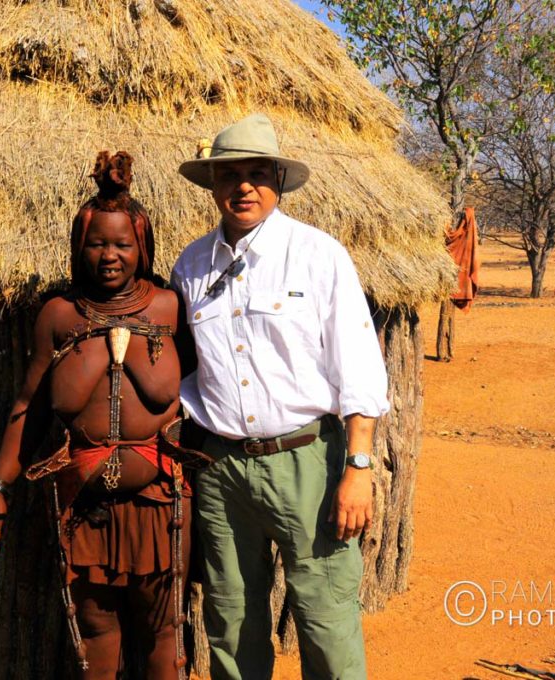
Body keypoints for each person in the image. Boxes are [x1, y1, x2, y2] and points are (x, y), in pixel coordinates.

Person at [170, 114, 390, 680]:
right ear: (213, 184)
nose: (243, 186)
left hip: (307, 465)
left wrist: (358, 467)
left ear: (278, 180)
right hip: (221, 470)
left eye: (256, 173)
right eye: (229, 174)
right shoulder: (191, 267)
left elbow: (359, 367)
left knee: (324, 620)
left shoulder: (318, 256)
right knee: (232, 621)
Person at [0, 151, 196, 679]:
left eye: (122, 243)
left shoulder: (170, 307)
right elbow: (28, 407)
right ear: (80, 246)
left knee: (164, 630)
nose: (109, 256)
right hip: (83, 503)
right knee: (93, 631)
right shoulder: (58, 315)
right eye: (97, 243)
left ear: (141, 246)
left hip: (161, 500)